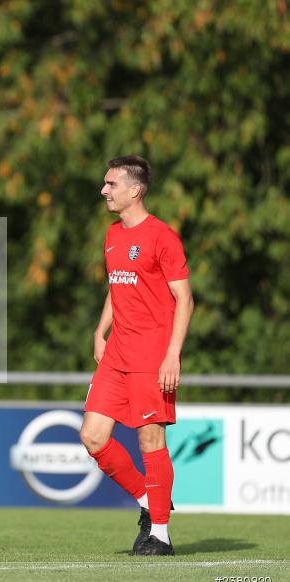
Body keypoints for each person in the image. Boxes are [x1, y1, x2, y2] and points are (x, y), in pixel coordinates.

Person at [79, 155, 194, 556]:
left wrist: (172, 355)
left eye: (111, 184)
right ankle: (148, 497)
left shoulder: (163, 236)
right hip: (117, 354)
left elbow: (185, 299)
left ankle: (160, 534)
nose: (104, 190)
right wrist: (100, 330)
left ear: (135, 190)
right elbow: (117, 286)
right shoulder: (112, 235)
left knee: (150, 439)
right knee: (92, 438)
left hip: (152, 356)